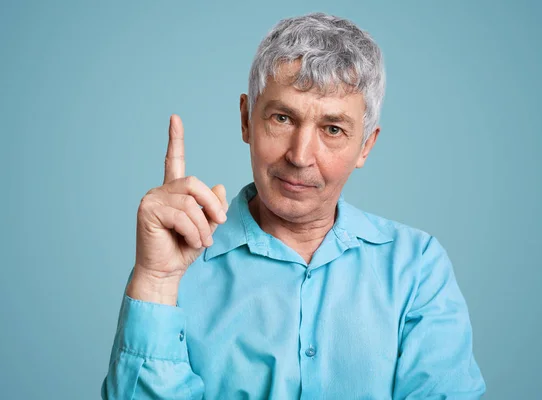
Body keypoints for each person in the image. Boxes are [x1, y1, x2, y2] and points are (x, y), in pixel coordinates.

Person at [101, 12, 485, 399]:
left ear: (365, 145)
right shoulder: (176, 267)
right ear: (246, 119)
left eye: (332, 129)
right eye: (283, 118)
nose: (300, 156)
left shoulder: (417, 268)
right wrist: (157, 281)